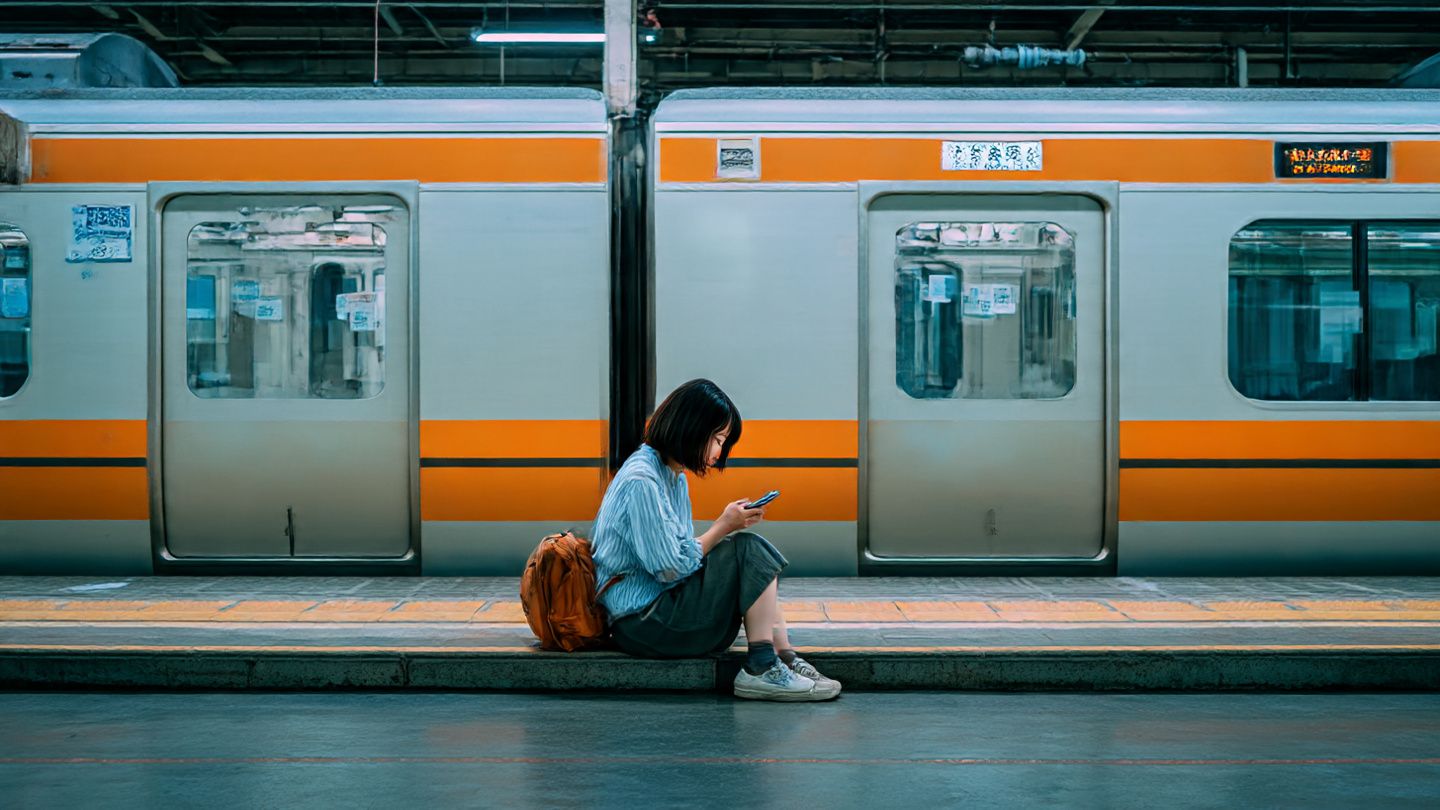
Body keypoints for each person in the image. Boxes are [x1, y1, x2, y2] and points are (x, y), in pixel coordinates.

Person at [591, 378, 841, 702]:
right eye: (718, 439)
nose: (720, 451)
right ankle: (763, 667)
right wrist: (724, 525)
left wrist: (724, 532)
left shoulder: (671, 476)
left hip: (655, 611)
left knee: (749, 558)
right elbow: (669, 567)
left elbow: (675, 553)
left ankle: (784, 658)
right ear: (692, 428)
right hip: (644, 623)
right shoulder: (642, 481)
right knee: (749, 551)